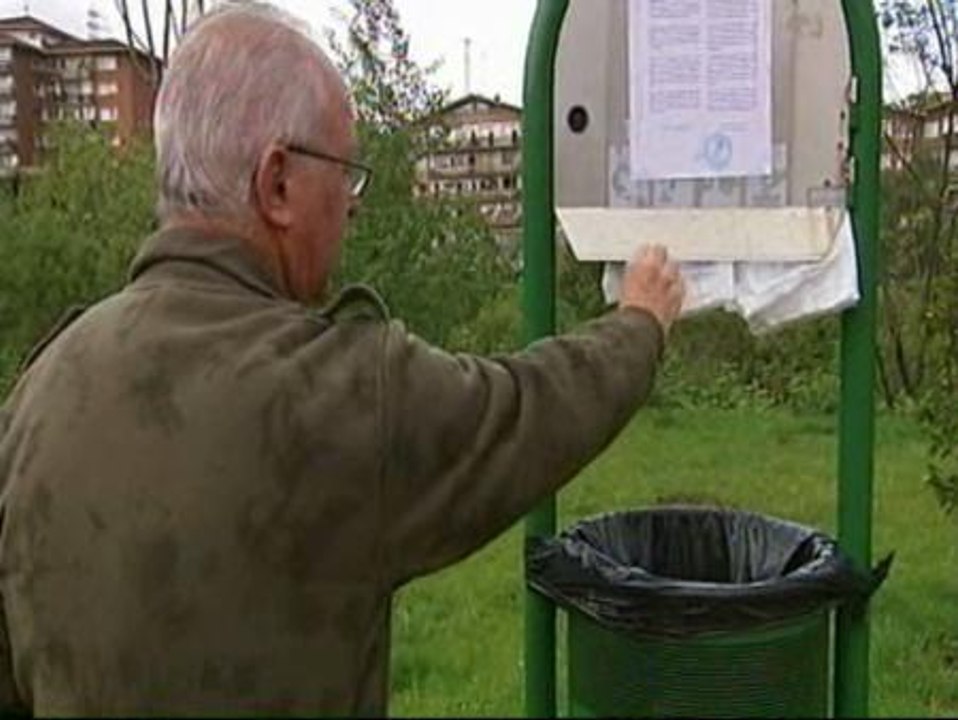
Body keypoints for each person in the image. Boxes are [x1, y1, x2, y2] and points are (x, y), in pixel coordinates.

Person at [0, 2, 685, 716]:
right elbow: (525, 410)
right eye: (346, 173)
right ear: (278, 184)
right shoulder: (336, 393)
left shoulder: (39, 393)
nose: (353, 204)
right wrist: (639, 322)